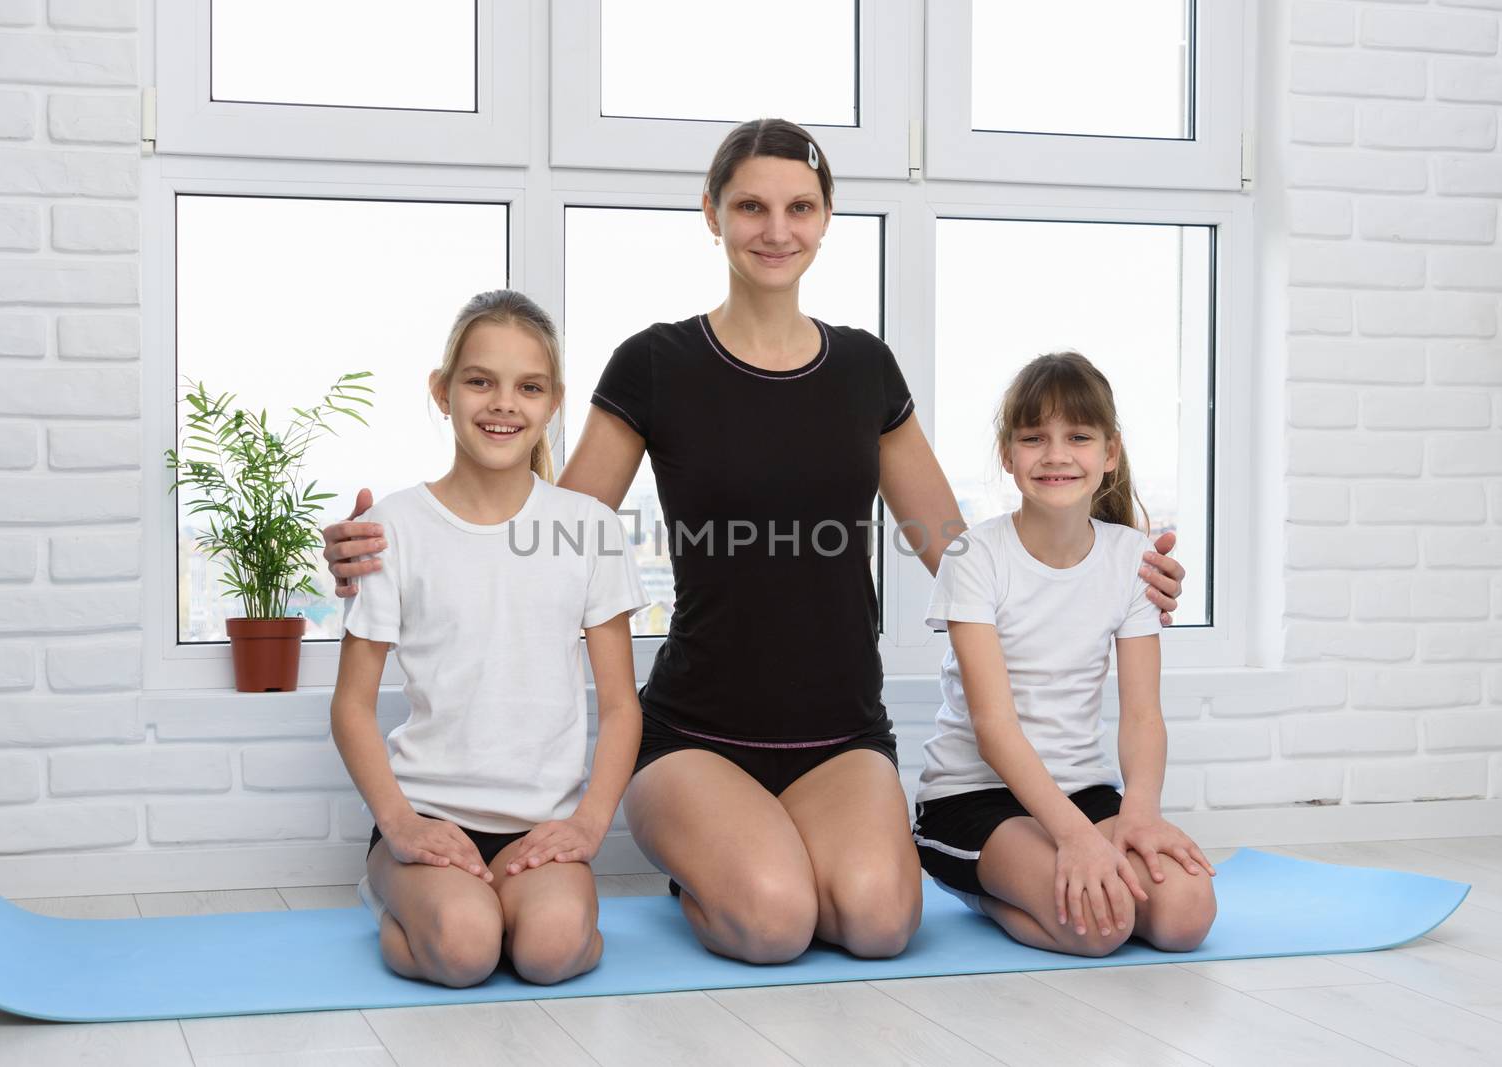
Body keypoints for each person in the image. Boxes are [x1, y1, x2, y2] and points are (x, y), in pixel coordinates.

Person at [322, 119, 1188, 965]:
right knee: (776, 923)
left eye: (800, 207)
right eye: (751, 207)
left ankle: (783, 857)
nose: (776, 230)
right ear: (712, 212)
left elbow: (957, 550)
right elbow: (544, 529)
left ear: (825, 218)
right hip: (694, 737)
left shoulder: (863, 369)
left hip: (842, 736)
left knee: (884, 924)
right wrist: (384, 544)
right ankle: (726, 870)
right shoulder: (655, 363)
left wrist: (1109, 564)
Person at [330, 289, 648, 988]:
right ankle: (396, 890)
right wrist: (401, 823)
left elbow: (623, 705)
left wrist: (589, 826)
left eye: (528, 387)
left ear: (553, 401)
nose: (504, 403)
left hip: (543, 829)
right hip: (429, 814)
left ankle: (511, 908)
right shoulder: (395, 527)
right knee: (466, 951)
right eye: (480, 381)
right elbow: (352, 704)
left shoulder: (588, 528)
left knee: (552, 950)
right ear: (442, 392)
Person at [912, 351, 1216, 957]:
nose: (1055, 454)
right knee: (1102, 926)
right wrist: (1077, 839)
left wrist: (1139, 814)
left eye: (1078, 436)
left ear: (1110, 452)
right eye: (1033, 438)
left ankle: (1069, 865)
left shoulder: (1133, 560)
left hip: (1080, 788)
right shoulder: (974, 557)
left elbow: (1141, 716)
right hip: (972, 797)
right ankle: (980, 894)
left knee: (1185, 915)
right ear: (1008, 455)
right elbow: (993, 728)